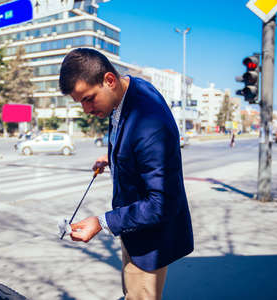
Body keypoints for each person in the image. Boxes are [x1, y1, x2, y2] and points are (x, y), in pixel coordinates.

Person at [59, 48, 193, 300]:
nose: (86, 110)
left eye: (89, 98)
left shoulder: (150, 125)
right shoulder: (130, 89)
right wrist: (112, 158)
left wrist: (101, 222)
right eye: (81, 102)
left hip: (149, 242)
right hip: (136, 230)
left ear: (109, 80)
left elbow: (162, 203)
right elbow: (131, 142)